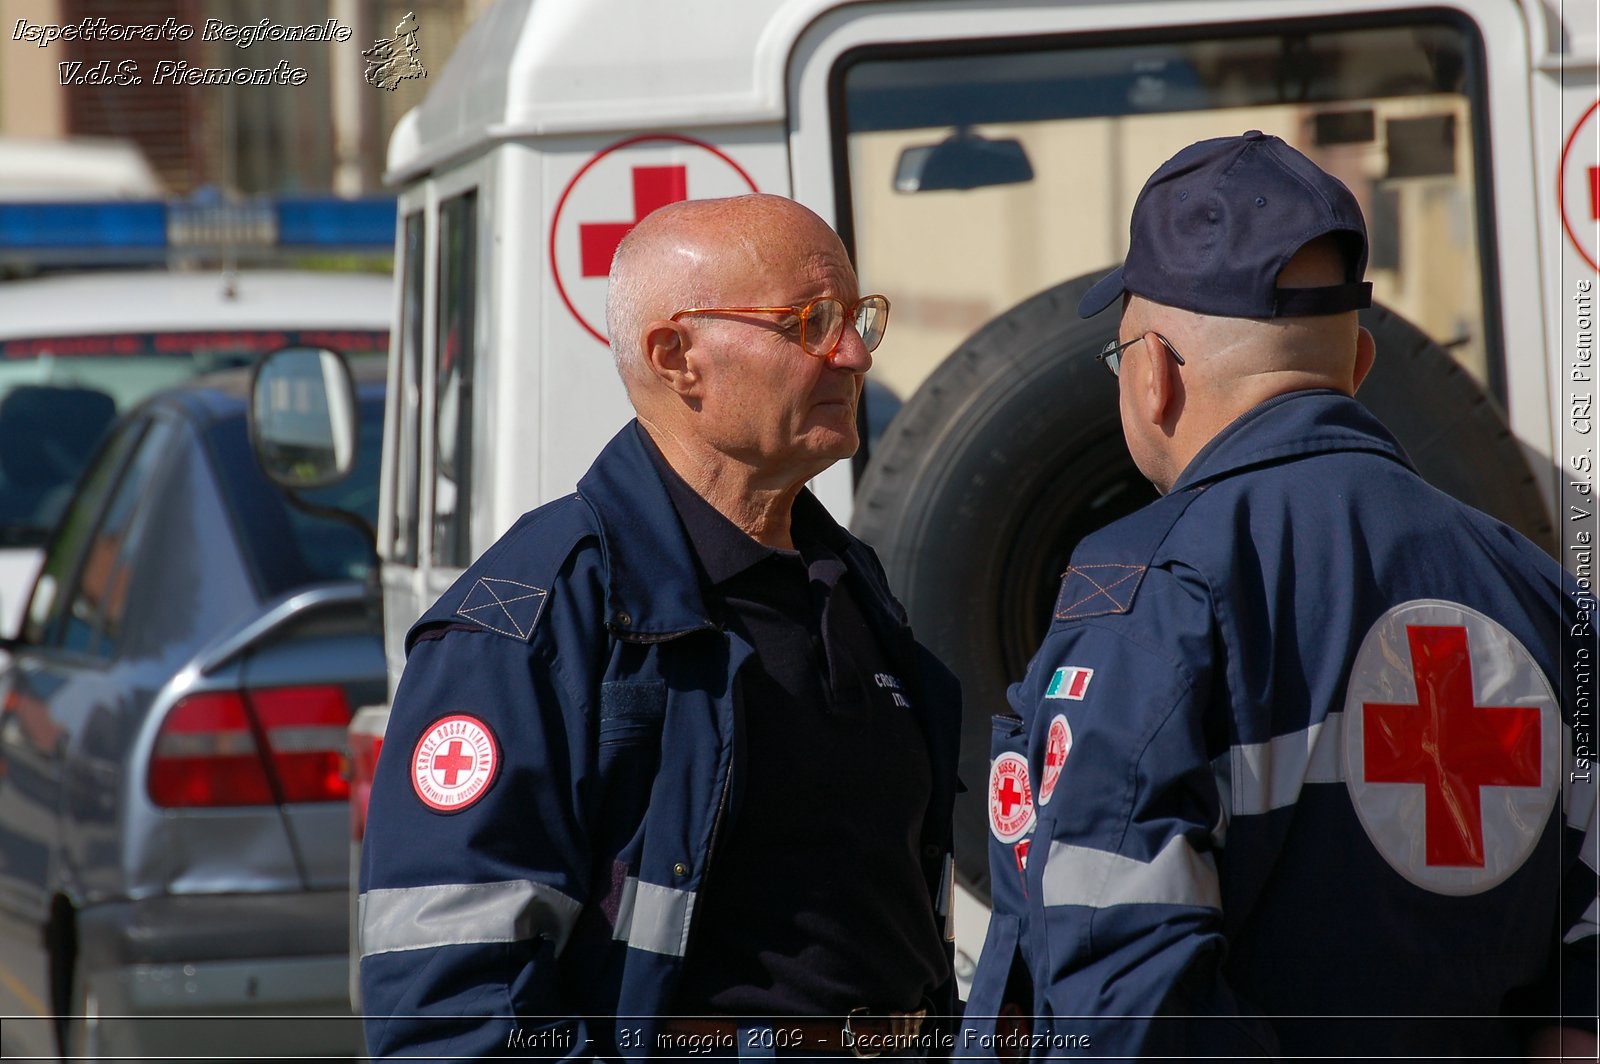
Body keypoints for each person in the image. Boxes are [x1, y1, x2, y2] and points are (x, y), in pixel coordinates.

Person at [963, 131, 1598, 1060]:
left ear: (1154, 374)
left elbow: (1119, 977)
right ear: (1361, 364)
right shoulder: (1539, 588)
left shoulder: (1152, 582)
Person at [358, 193, 961, 1060]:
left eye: (861, 317)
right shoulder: (532, 624)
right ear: (677, 357)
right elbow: (450, 1015)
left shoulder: (850, 589)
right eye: (812, 322)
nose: (856, 352)